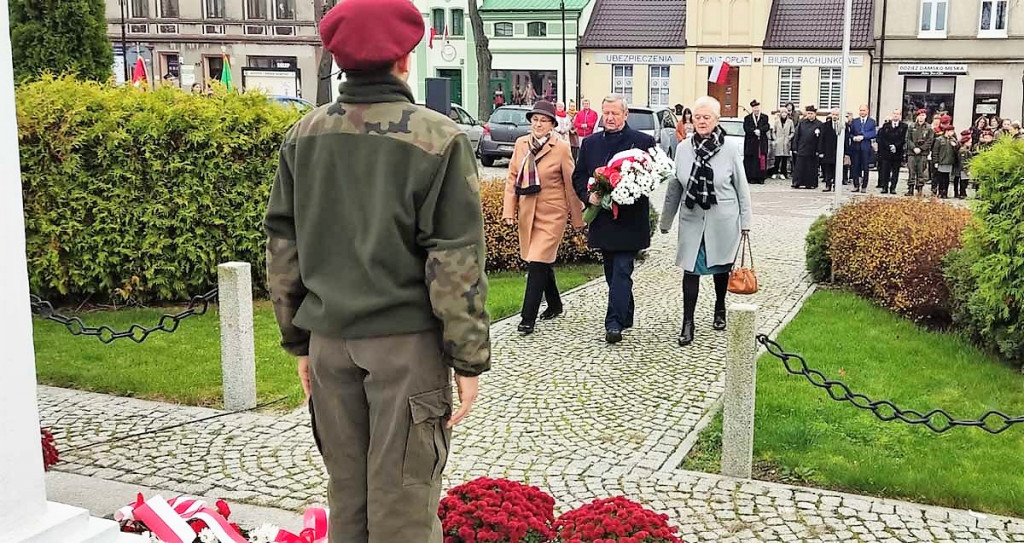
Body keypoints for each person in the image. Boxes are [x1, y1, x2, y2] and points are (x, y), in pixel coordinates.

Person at [264, 0, 490, 540]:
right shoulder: (438, 138)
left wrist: (299, 340)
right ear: (405, 60)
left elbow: (283, 246)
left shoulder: (304, 135)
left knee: (348, 500)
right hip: (404, 346)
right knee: (405, 508)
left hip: (330, 342)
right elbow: (453, 257)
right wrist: (468, 357)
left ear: (339, 60)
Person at [659, 96, 753, 347]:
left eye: (706, 118)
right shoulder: (683, 148)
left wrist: (746, 222)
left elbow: (741, 188)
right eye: (697, 117)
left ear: (716, 120)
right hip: (692, 219)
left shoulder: (731, 149)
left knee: (720, 268)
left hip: (723, 220)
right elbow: (675, 186)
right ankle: (687, 323)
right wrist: (665, 221)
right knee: (691, 270)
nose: (701, 122)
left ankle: (720, 306)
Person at [572, 95, 656, 344]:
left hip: (630, 220)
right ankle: (626, 311)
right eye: (606, 112)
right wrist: (589, 196)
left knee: (622, 269)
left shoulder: (642, 142)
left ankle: (614, 323)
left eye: (615, 113)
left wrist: (631, 189)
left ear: (625, 115)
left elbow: (653, 178)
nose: (609, 117)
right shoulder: (590, 143)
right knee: (611, 272)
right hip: (603, 220)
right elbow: (578, 176)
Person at [502, 100, 583, 334]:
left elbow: (570, 185)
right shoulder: (521, 144)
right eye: (535, 119)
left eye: (544, 120)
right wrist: (509, 210)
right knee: (540, 259)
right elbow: (512, 177)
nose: (538, 124)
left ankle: (527, 318)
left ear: (552, 125)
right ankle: (555, 304)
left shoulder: (561, 148)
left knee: (537, 261)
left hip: (552, 213)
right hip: (529, 211)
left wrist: (577, 218)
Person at [876, 108, 907, 194]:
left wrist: (895, 146)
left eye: (897, 114)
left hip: (898, 152)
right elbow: (882, 138)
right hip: (886, 152)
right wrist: (889, 146)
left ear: (900, 116)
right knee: (885, 170)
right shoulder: (886, 125)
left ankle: (893, 188)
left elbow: (904, 138)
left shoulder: (904, 126)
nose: (895, 115)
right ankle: (884, 187)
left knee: (895, 171)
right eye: (894, 113)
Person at [791, 105, 823, 189]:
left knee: (811, 167)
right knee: (799, 167)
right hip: (802, 148)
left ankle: (810, 183)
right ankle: (797, 182)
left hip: (813, 149)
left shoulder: (819, 124)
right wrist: (795, 147)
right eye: (808, 113)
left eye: (811, 113)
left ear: (815, 114)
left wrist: (819, 150)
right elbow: (797, 135)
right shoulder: (802, 123)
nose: (810, 115)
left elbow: (821, 139)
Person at [904, 109, 934, 197]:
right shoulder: (911, 126)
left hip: (922, 154)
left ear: (925, 117)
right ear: (917, 116)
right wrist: (914, 148)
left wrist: (921, 148)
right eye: (920, 115)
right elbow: (907, 139)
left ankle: (920, 189)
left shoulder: (929, 128)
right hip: (912, 153)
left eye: (923, 115)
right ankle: (910, 189)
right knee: (911, 171)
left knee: (921, 172)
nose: (921, 117)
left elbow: (930, 141)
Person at [849, 104, 877, 193]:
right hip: (855, 147)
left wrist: (863, 136)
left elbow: (873, 133)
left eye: (864, 110)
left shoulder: (871, 122)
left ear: (867, 111)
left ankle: (864, 186)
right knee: (855, 167)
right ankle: (856, 185)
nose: (862, 112)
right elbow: (850, 133)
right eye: (861, 110)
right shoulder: (855, 121)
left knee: (865, 167)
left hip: (865, 147)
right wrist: (853, 138)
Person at [742, 100, 771, 184]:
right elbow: (746, 128)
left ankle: (761, 178)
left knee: (761, 160)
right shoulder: (747, 118)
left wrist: (760, 131)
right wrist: (753, 131)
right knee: (750, 160)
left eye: (757, 108)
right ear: (752, 109)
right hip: (751, 143)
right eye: (754, 108)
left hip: (761, 143)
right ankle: (751, 177)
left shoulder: (764, 117)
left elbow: (767, 126)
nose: (756, 109)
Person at [932, 121, 959, 199]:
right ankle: (940, 191)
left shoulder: (953, 140)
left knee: (947, 178)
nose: (952, 133)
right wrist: (935, 161)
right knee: (941, 178)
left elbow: (957, 150)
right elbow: (935, 151)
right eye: (951, 131)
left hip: (949, 161)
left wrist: (955, 146)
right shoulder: (939, 139)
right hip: (941, 161)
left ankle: (945, 192)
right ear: (946, 131)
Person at [819, 108, 841, 192]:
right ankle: (828, 185)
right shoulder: (825, 125)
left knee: (837, 169)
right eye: (833, 114)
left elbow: (845, 139)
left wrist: (846, 153)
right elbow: (821, 139)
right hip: (827, 150)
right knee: (827, 169)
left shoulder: (842, 125)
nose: (835, 116)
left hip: (837, 151)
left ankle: (836, 185)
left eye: (836, 115)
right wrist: (821, 151)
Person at [771, 109, 793, 180]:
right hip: (779, 141)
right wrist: (775, 139)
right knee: (777, 159)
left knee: (784, 159)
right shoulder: (777, 121)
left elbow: (792, 131)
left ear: (787, 114)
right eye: (782, 113)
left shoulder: (790, 122)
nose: (784, 114)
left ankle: (783, 173)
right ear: (780, 114)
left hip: (786, 142)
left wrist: (789, 138)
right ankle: (775, 172)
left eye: (785, 113)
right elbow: (773, 131)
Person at [955, 130, 973, 199]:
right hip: (964, 169)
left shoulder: (966, 150)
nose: (970, 143)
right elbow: (963, 161)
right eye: (969, 142)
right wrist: (966, 169)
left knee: (965, 181)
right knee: (963, 181)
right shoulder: (963, 151)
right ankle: (962, 193)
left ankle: (963, 193)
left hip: (965, 168)